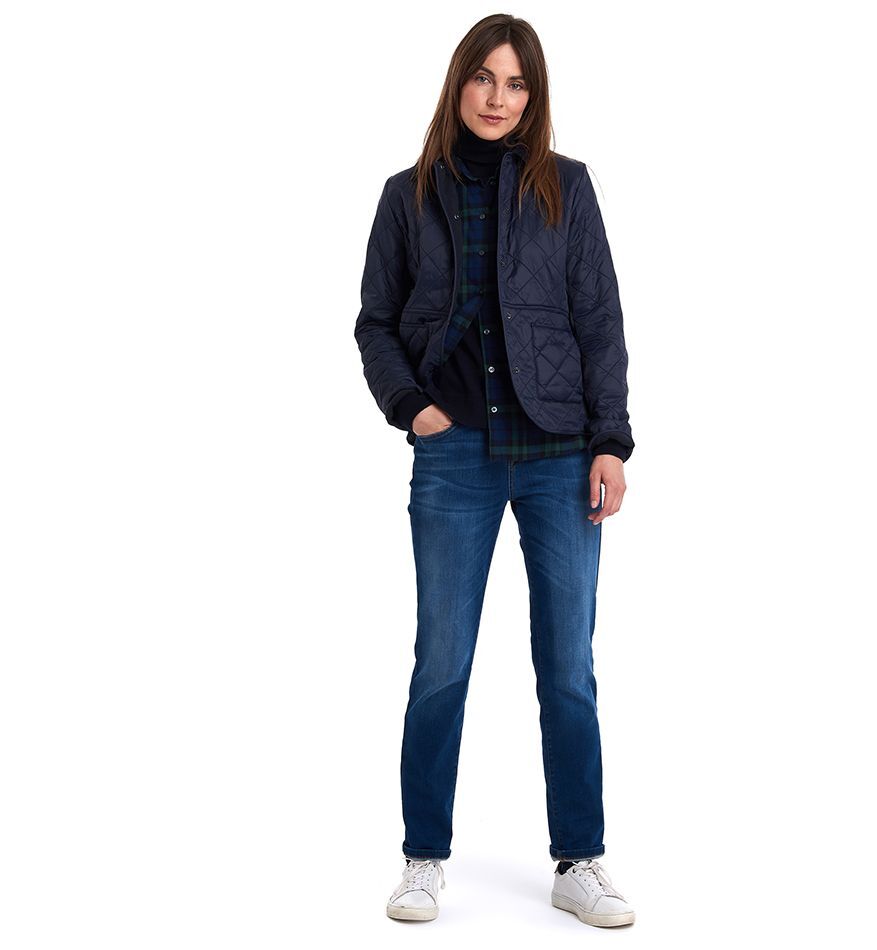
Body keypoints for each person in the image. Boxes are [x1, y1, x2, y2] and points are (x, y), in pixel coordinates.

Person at [354, 14, 636, 928]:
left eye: (516, 83)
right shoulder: (408, 196)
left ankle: (579, 858)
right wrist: (413, 407)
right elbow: (375, 321)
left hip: (559, 454)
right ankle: (423, 858)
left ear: (533, 95)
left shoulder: (567, 188)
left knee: (568, 666)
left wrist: (610, 441)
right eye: (484, 77)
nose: (497, 97)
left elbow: (599, 318)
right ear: (459, 83)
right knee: (441, 661)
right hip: (455, 454)